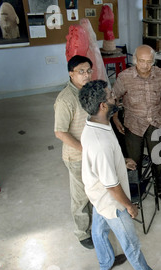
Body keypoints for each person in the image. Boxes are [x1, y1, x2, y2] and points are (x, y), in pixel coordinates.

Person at [79, 79, 161, 270]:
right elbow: (112, 186)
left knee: (99, 230)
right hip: (111, 200)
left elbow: (101, 163)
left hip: (95, 193)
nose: (115, 96)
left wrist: (121, 161)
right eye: (111, 95)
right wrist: (129, 206)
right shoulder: (100, 142)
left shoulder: (95, 122)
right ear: (103, 106)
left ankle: (106, 262)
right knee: (131, 244)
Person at [112, 45, 161, 205]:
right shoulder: (125, 77)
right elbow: (113, 97)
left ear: (153, 61)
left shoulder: (160, 74)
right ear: (135, 60)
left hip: (155, 121)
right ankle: (134, 193)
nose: (145, 65)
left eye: (148, 61)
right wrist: (116, 117)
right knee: (133, 161)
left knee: (158, 159)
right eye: (141, 61)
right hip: (134, 124)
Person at [54, 55, 94, 249]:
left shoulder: (88, 91)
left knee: (94, 191)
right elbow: (60, 132)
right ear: (71, 74)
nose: (86, 75)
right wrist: (84, 149)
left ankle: (96, 226)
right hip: (77, 156)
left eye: (88, 71)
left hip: (93, 152)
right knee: (81, 197)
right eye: (81, 72)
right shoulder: (65, 99)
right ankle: (83, 233)